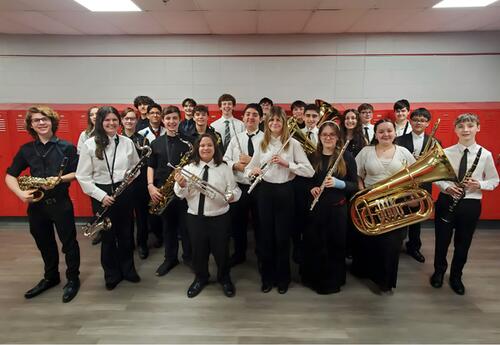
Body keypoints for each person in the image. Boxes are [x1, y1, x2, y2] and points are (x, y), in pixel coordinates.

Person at [5, 106, 81, 303]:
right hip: (37, 206)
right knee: (44, 244)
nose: (41, 123)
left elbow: (79, 173)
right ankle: (51, 277)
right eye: (36, 120)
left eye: (45, 119)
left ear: (52, 122)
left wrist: (60, 179)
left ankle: (73, 279)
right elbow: (10, 175)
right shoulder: (27, 150)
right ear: (31, 125)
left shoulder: (67, 147)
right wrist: (21, 193)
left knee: (69, 243)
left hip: (61, 203)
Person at [246, 106, 314, 294]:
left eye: (278, 120)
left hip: (285, 191)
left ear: (284, 123)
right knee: (266, 237)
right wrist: (254, 171)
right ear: (267, 124)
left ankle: (283, 278)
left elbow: (309, 171)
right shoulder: (261, 143)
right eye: (271, 120)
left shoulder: (293, 144)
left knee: (283, 238)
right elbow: (248, 169)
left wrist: (287, 164)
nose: (275, 123)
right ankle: (267, 278)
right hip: (265, 192)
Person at [431, 113, 498, 295]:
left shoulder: (485, 155)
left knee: (463, 242)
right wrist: (447, 187)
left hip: (470, 204)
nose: (465, 129)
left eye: (470, 125)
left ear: (478, 128)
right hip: (447, 201)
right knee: (442, 241)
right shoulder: (446, 152)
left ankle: (456, 276)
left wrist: (479, 184)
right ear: (455, 130)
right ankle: (438, 271)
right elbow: (437, 178)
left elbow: (494, 180)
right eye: (461, 126)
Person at [76, 106, 141, 291]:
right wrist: (101, 196)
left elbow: (136, 166)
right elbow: (83, 176)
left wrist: (129, 178)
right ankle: (111, 274)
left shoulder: (127, 142)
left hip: (124, 191)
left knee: (127, 233)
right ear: (100, 122)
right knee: (108, 236)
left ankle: (128, 270)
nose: (111, 123)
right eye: (107, 120)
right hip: (101, 193)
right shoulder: (90, 144)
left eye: (114, 120)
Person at [174, 133, 241, 298]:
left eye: (209, 145)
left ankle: (224, 278)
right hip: (195, 218)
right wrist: (181, 185)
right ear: (197, 148)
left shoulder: (224, 168)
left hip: (219, 217)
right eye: (202, 145)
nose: (205, 148)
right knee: (198, 251)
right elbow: (181, 194)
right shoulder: (189, 168)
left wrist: (232, 196)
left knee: (221, 251)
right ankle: (200, 278)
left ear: (215, 148)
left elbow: (235, 190)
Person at [353, 118, 415, 294]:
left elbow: (413, 178)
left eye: (389, 130)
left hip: (397, 203)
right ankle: (370, 273)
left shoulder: (404, 152)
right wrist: (362, 192)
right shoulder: (366, 151)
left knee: (392, 244)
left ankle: (385, 281)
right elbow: (357, 175)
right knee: (372, 241)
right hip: (371, 202)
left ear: (395, 132)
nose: (385, 134)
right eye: (381, 131)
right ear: (376, 134)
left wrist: (407, 198)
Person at [301, 121, 358, 294]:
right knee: (315, 244)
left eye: (332, 135)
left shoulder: (346, 157)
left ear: (337, 137)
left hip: (337, 210)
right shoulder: (312, 157)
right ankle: (314, 279)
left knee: (335, 246)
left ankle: (334, 281)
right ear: (319, 137)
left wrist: (338, 183)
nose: (328, 137)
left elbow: (354, 185)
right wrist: (311, 187)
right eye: (324, 134)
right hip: (316, 209)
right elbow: (304, 181)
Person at [148, 105, 192, 276]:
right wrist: (150, 186)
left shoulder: (188, 141)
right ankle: (170, 258)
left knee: (186, 226)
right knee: (168, 227)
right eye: (168, 119)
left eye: (174, 118)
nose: (171, 122)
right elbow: (150, 166)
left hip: (183, 189)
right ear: (163, 121)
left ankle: (189, 256)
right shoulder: (156, 142)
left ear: (179, 120)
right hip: (162, 189)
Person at [223, 103, 264, 267]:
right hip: (240, 187)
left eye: (255, 114)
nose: (251, 117)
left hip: (260, 187)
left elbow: (271, 163)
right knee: (237, 222)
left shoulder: (266, 139)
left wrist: (251, 161)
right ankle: (239, 253)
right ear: (243, 117)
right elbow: (225, 159)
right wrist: (235, 165)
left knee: (260, 223)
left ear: (260, 118)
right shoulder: (236, 139)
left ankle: (262, 254)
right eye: (248, 114)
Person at [395, 108, 433, 263]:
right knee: (400, 213)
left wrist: (423, 163)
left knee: (417, 216)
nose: (419, 122)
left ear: (428, 123)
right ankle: (396, 244)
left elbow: (436, 165)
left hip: (423, 183)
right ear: (410, 121)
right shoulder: (400, 139)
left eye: (423, 120)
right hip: (404, 183)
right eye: (416, 119)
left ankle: (414, 247)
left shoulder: (434, 142)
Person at [120, 107, 150, 259]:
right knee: (126, 217)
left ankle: (142, 244)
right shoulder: (116, 140)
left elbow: (146, 164)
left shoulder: (144, 140)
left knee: (141, 217)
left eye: (132, 118)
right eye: (126, 118)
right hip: (123, 185)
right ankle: (128, 243)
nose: (129, 121)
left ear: (136, 121)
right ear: (122, 121)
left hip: (139, 184)